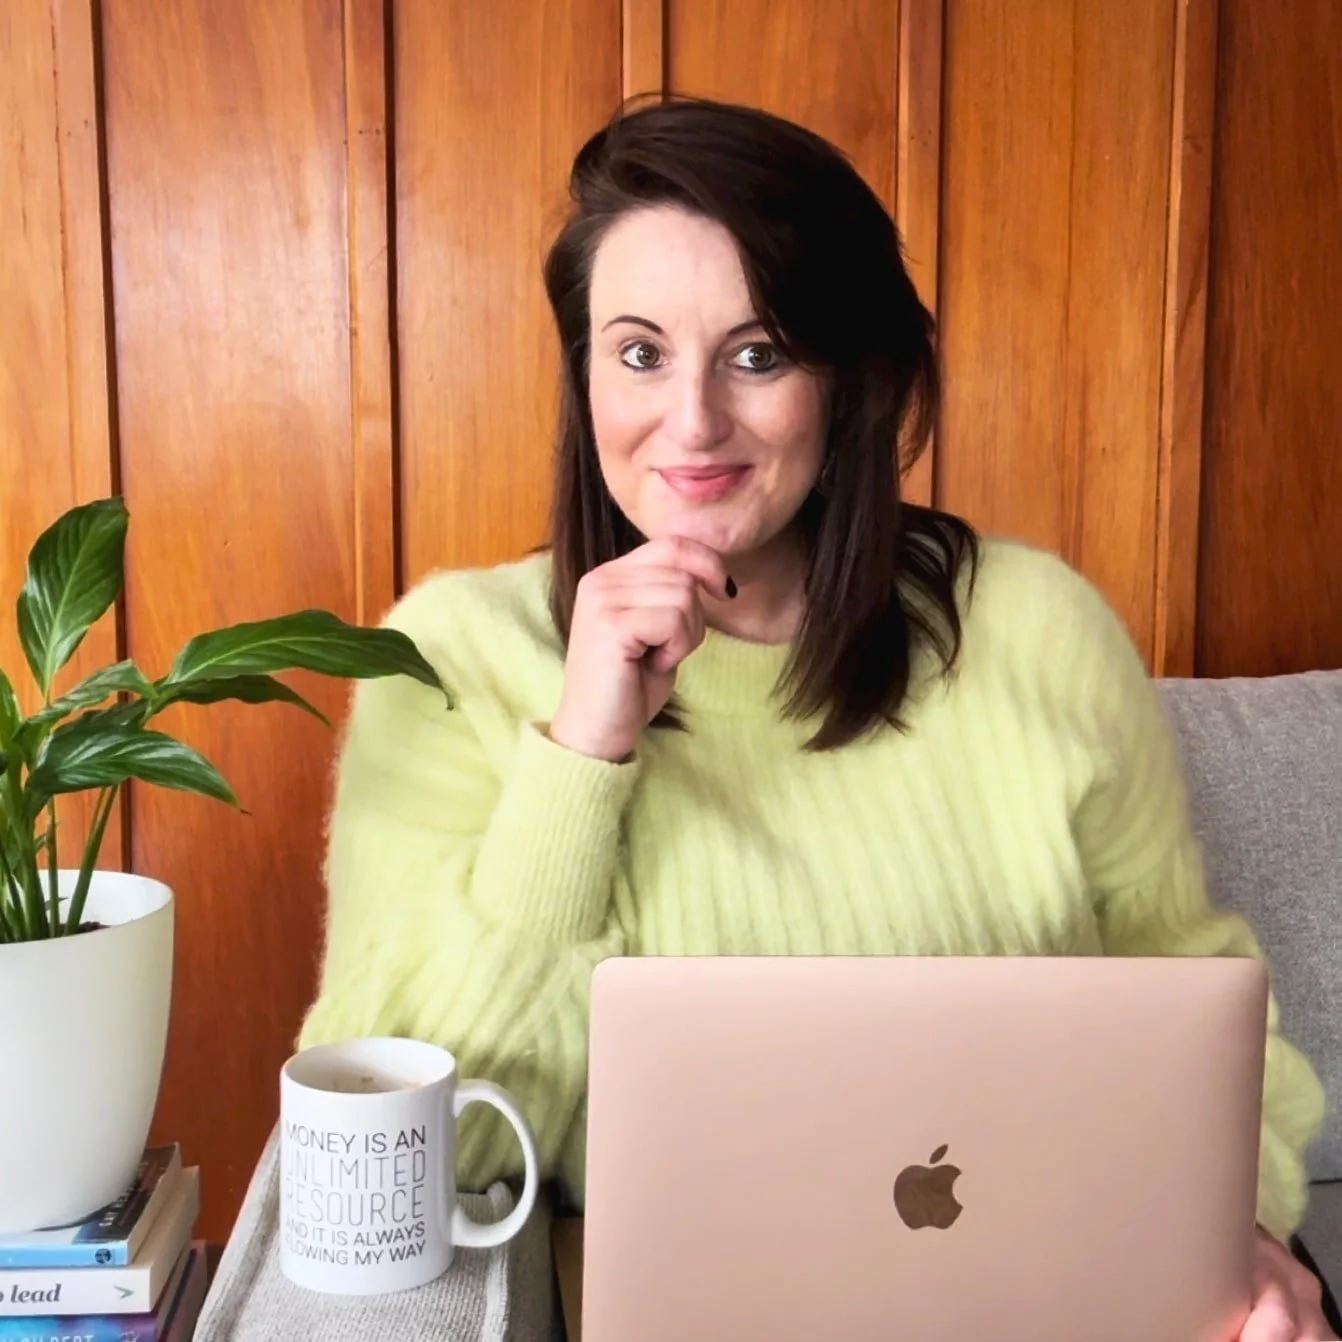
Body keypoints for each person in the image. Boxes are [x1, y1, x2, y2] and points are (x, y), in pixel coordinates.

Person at [298, 97, 1335, 1339]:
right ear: (582, 374)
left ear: (848, 379)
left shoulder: (1038, 627)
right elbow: (406, 1159)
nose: (691, 424)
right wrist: (580, 759)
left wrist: (1240, 1233)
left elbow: (1205, 996)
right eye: (638, 353)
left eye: (758, 353)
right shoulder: (454, 656)